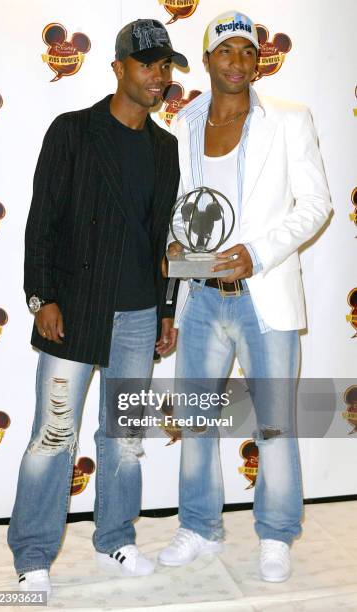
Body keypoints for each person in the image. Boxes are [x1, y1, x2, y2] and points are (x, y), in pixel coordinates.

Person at [7, 19, 187, 596]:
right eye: (147, 65)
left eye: (165, 67)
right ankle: (32, 554)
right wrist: (41, 296)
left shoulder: (165, 147)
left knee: (125, 438)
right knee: (53, 435)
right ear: (117, 68)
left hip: (138, 314)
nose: (158, 77)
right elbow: (43, 221)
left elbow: (163, 239)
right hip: (74, 308)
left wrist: (166, 310)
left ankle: (115, 539)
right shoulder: (73, 131)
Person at [159, 10, 331, 582]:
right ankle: (199, 527)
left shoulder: (289, 118)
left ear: (259, 62)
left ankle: (276, 534)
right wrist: (172, 249)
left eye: (247, 52)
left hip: (263, 293)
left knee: (274, 422)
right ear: (206, 59)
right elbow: (177, 207)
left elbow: (316, 204)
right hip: (200, 296)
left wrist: (258, 252)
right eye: (225, 52)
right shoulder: (182, 122)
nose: (237, 62)